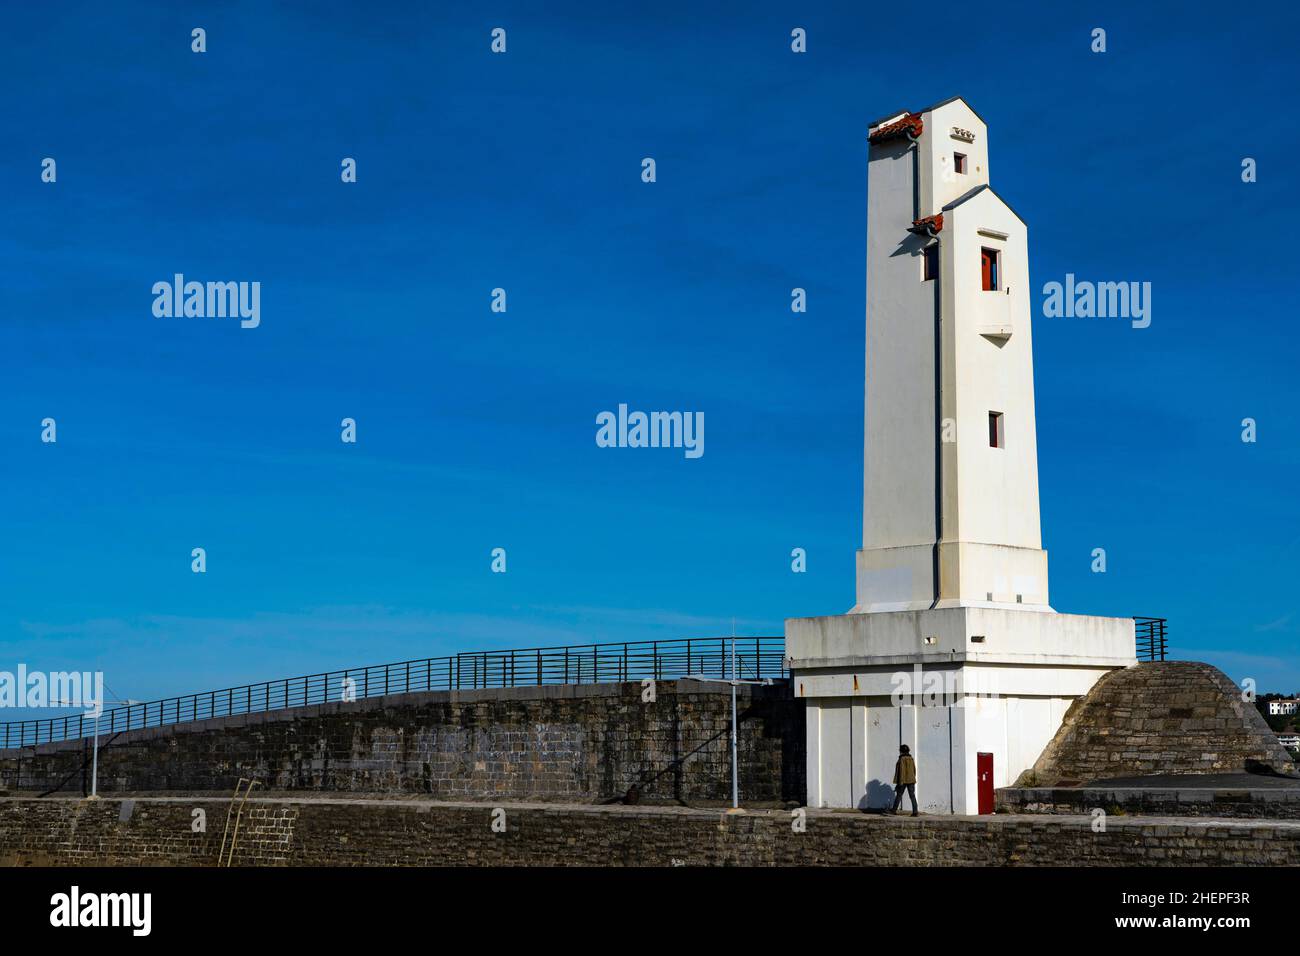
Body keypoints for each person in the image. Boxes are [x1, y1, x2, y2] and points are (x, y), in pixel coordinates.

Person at [892, 744, 918, 816]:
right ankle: (915, 812)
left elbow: (902, 771)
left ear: (901, 751)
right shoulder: (911, 758)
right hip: (911, 780)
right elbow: (914, 769)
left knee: (899, 795)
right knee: (912, 796)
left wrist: (900, 782)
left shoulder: (902, 759)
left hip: (903, 780)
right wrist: (913, 777)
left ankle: (894, 810)